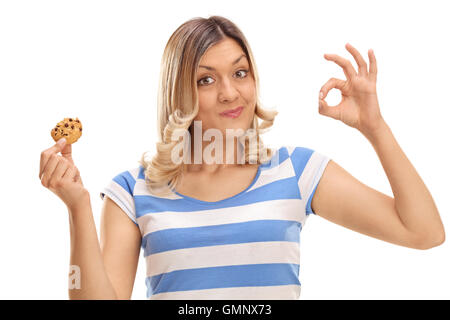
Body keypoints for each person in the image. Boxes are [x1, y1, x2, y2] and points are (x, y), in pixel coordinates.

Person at [38, 16, 445, 300]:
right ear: (177, 92)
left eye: (240, 72)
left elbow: (423, 232)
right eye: (206, 79)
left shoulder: (296, 171)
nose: (230, 93)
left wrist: (374, 127)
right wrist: (76, 207)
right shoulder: (132, 190)